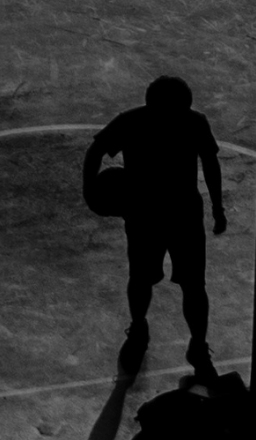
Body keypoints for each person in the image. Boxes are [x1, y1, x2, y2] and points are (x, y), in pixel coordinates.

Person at [84, 75, 225, 377]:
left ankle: (147, 332)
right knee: (182, 284)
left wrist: (89, 191)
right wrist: (217, 207)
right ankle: (188, 343)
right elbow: (211, 164)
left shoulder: (136, 120)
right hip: (172, 216)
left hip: (154, 215)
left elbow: (95, 150)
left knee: (153, 281)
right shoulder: (190, 121)